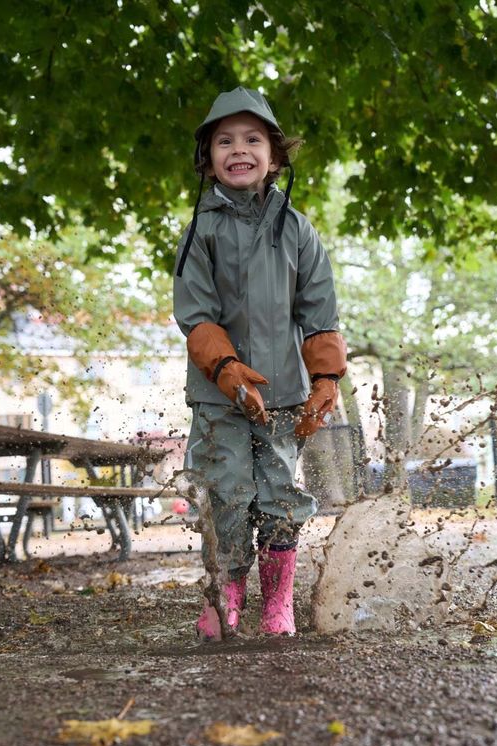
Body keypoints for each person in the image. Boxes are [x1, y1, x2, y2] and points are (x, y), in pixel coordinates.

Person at [173, 87, 347, 640]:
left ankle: (278, 601)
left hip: (283, 397)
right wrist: (224, 369)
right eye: (225, 141)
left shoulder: (298, 230)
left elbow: (319, 312)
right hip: (217, 395)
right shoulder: (200, 232)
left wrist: (324, 378)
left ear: (275, 156)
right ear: (209, 158)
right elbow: (195, 313)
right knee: (225, 491)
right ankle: (225, 594)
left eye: (252, 139)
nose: (239, 149)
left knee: (277, 495)